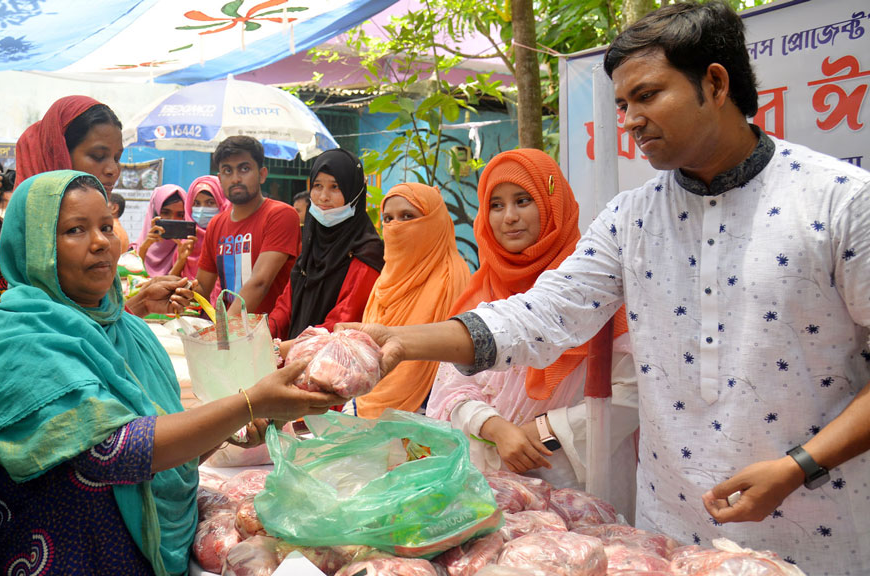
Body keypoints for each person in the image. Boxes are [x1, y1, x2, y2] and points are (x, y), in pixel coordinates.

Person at [347, 2, 870, 572]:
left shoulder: (841, 201)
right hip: (669, 536)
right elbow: (543, 315)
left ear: (715, 84)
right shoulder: (632, 217)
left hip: (818, 522)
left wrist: (800, 466)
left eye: (647, 96)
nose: (629, 120)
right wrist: (395, 341)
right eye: (623, 104)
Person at [0, 170, 343, 575]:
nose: (100, 242)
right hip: (63, 558)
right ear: (35, 247)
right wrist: (248, 403)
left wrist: (233, 425)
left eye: (105, 226)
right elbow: (115, 452)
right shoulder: (18, 338)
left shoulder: (125, 327)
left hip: (142, 555)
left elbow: (162, 439)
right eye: (75, 230)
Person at [425, 149, 637, 517]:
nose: (509, 217)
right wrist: (494, 427)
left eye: (523, 201)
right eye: (496, 204)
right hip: (491, 482)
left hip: (576, 480)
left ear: (551, 205)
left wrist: (544, 430)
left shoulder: (595, 289)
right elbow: (451, 387)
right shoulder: (479, 294)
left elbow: (632, 393)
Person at [0, 95, 188, 315]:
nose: (113, 169)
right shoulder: (21, 259)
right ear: (58, 153)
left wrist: (144, 301)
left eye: (106, 228)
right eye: (98, 156)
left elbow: (93, 323)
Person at [355, 182, 470, 419]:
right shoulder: (384, 279)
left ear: (434, 220)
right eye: (388, 218)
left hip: (432, 415)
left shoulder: (452, 279)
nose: (395, 226)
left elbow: (455, 368)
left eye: (408, 216)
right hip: (366, 406)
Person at [267, 149, 384, 340]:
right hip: (294, 358)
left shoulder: (367, 253)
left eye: (335, 187)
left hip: (336, 363)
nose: (323, 196)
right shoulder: (311, 245)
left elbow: (344, 321)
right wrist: (262, 333)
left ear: (354, 192)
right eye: (318, 186)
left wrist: (287, 349)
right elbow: (286, 305)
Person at [192, 136, 300, 314]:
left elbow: (259, 282)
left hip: (272, 334)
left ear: (262, 174)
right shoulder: (215, 225)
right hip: (231, 332)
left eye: (244, 168)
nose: (235, 179)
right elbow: (203, 286)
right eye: (227, 171)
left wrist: (224, 332)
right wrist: (178, 291)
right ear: (220, 178)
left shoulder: (281, 215)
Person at [170, 176, 231, 301]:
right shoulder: (186, 243)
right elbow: (172, 286)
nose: (202, 209)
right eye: (197, 203)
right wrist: (181, 260)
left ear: (222, 204)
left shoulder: (230, 241)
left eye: (210, 203)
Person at [133, 184, 191, 276]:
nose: (172, 219)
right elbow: (133, 282)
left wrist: (181, 260)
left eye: (180, 215)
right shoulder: (133, 251)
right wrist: (143, 249)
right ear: (154, 213)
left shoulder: (189, 251)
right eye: (165, 213)